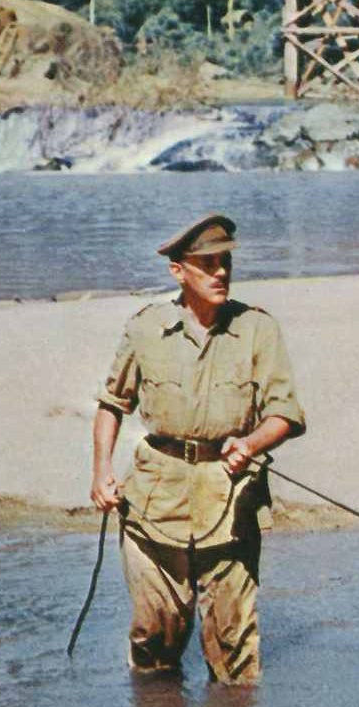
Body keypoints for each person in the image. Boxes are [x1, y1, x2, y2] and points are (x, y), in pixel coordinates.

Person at [90, 213, 305, 683]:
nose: (221, 273)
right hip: (154, 501)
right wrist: (101, 471)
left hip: (230, 499)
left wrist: (250, 442)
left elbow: (285, 415)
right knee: (155, 638)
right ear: (178, 271)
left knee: (235, 650)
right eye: (207, 264)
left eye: (225, 262)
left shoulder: (257, 330)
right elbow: (111, 404)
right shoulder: (145, 329)